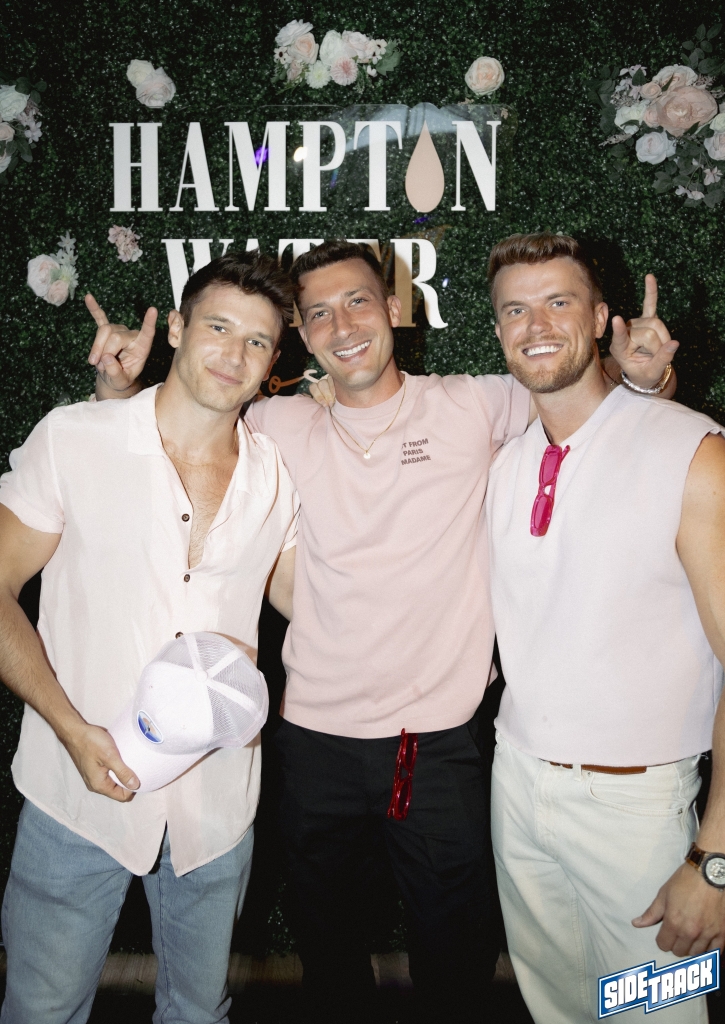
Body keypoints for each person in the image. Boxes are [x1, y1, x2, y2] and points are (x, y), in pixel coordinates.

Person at [88, 240, 675, 1024]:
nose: (342, 326)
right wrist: (115, 389)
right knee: (327, 953)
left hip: (437, 745)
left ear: (394, 309)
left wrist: (644, 380)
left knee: (454, 953)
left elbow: (585, 403)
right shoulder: (274, 422)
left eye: (358, 301)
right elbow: (170, 434)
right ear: (299, 335)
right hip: (311, 743)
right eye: (318, 314)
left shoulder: (473, 405)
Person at [0, 251, 298, 1024]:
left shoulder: (278, 474)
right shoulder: (75, 438)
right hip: (75, 793)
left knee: (199, 1014)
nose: (233, 354)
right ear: (175, 329)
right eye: (217, 328)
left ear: (273, 361)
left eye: (257, 341)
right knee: (41, 1011)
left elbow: (314, 602)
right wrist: (70, 729)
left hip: (216, 806)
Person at [484, 232, 725, 1023]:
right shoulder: (506, 462)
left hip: (637, 811)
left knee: (656, 1013)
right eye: (515, 310)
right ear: (496, 329)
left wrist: (715, 858)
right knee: (557, 1008)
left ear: (598, 320)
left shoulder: (692, 451)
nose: (535, 325)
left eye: (558, 302)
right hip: (516, 787)